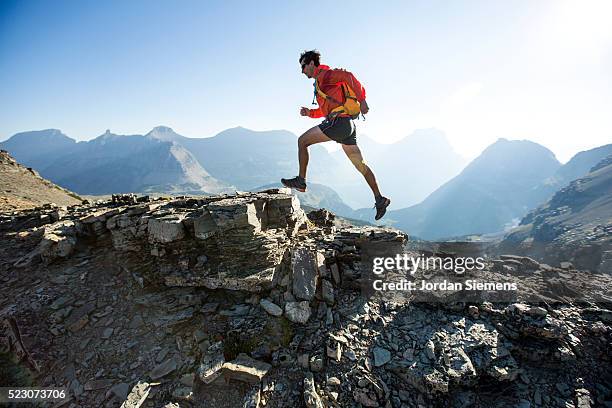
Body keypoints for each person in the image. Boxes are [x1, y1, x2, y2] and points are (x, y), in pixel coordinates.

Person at [281, 50, 391, 220]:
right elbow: (326, 110)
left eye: (303, 66)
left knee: (302, 141)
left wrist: (362, 100)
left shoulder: (327, 75)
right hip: (347, 125)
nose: (302, 71)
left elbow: (348, 76)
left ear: (311, 64)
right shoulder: (319, 83)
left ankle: (301, 181)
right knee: (361, 165)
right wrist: (309, 113)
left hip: (338, 123)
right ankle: (380, 199)